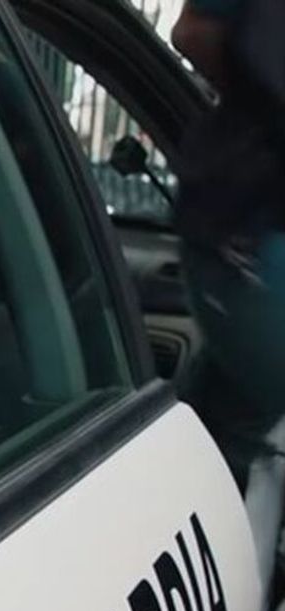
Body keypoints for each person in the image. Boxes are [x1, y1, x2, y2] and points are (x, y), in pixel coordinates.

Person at [172, 0, 285, 481]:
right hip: (255, 225)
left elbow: (194, 31)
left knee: (229, 416)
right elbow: (193, 32)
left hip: (240, 223)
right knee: (248, 443)